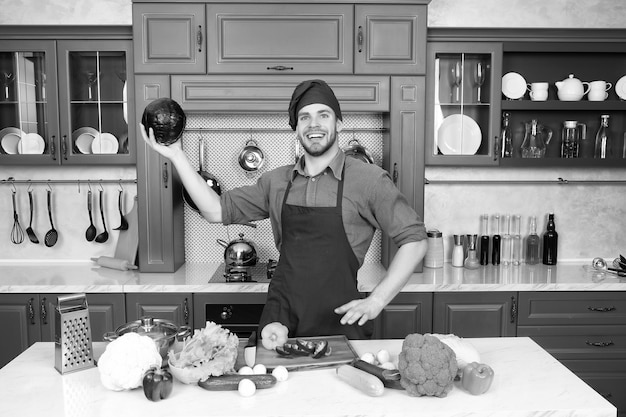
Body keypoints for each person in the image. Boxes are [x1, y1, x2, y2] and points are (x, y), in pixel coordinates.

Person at [140, 79, 427, 343]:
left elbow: (415, 240)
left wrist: (377, 300)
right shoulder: (276, 181)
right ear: (297, 128)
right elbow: (215, 211)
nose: (314, 124)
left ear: (339, 123)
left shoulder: (369, 180)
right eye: (305, 117)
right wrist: (176, 155)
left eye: (323, 115)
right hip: (281, 320)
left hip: (341, 320)